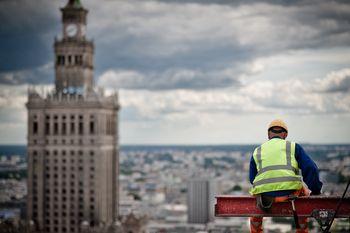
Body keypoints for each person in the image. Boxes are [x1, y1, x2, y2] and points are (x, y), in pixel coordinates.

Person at [249, 119, 323, 233]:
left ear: (269, 134)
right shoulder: (293, 147)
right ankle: (302, 230)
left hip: (265, 197)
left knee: (254, 208)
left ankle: (256, 230)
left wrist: (268, 187)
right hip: (290, 194)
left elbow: (252, 179)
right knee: (304, 193)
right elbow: (311, 168)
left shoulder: (257, 151)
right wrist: (316, 190)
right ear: (285, 134)